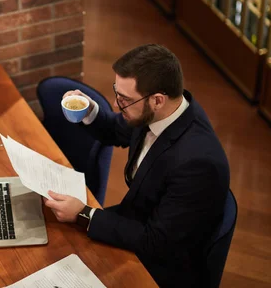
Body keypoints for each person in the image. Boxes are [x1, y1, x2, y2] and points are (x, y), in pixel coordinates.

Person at [44, 44, 230, 287]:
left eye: (124, 99)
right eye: (116, 92)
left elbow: (157, 242)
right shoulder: (159, 111)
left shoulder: (198, 163)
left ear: (157, 100)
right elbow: (115, 129)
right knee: (50, 237)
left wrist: (84, 213)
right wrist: (89, 110)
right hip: (136, 222)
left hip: (162, 264)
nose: (117, 102)